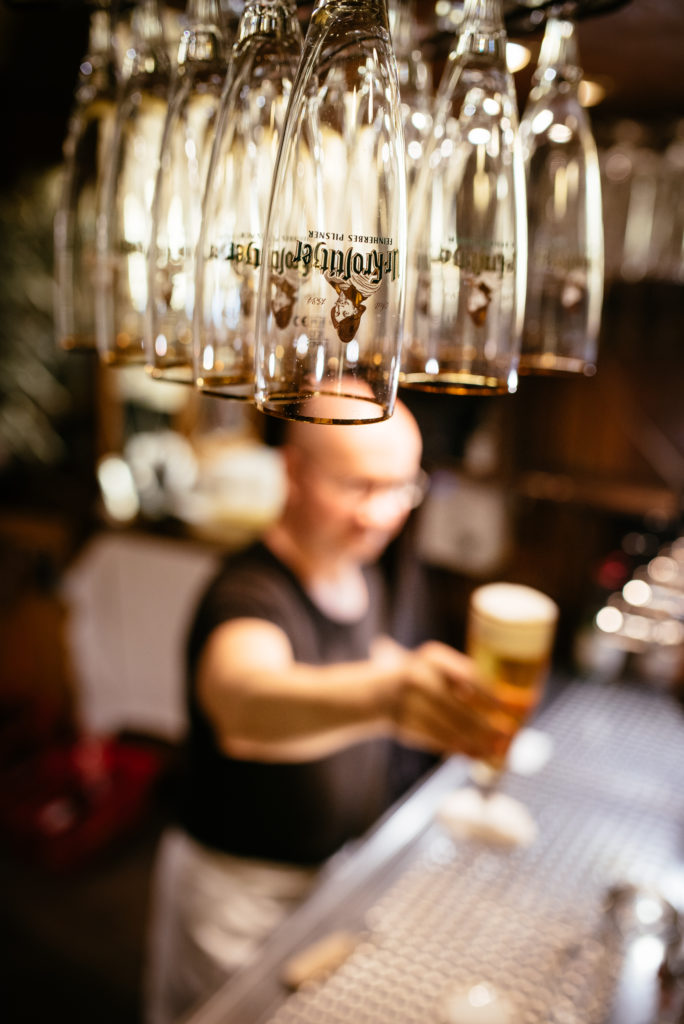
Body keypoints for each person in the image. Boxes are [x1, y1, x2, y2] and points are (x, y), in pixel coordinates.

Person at [144, 398, 518, 1024]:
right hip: (240, 895)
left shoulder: (359, 573)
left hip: (331, 875)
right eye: (357, 486)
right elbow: (244, 702)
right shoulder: (246, 591)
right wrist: (389, 697)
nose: (380, 513)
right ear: (293, 471)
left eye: (400, 488)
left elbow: (358, 657)